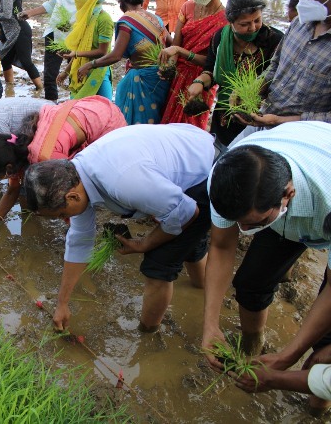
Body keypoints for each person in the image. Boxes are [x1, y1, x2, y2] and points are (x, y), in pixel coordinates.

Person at [22, 123, 215, 332]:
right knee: (187, 240)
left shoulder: (124, 182)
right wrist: (62, 303)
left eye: (61, 214)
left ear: (72, 196)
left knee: (158, 263)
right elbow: (79, 240)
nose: (63, 219)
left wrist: (143, 244)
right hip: (184, 157)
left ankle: (148, 335)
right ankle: (200, 288)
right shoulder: (75, 178)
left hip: (206, 170)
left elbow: (186, 213)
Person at [202, 121, 331, 410]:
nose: (243, 230)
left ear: (288, 194)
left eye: (254, 224)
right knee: (250, 284)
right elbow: (222, 246)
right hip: (290, 205)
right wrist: (209, 326)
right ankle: (253, 342)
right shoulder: (227, 178)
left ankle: (318, 406)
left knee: (325, 349)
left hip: (322, 198)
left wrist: (288, 356)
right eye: (238, 222)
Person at [0, 96, 128, 249]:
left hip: (107, 123)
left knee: (91, 187)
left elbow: (75, 194)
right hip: (88, 108)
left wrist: (77, 233)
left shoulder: (47, 158)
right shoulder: (17, 148)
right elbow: (13, 191)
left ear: (8, 168)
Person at [230, 0, 331, 140]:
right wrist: (254, 88)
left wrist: (278, 120)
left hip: (298, 138)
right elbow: (276, 65)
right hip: (261, 120)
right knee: (225, 159)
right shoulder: (298, 24)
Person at [187, 0, 283, 145]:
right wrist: (199, 81)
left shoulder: (275, 41)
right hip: (224, 114)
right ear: (231, 22)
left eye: (257, 20)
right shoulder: (220, 38)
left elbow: (278, 79)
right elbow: (211, 70)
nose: (252, 27)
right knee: (220, 153)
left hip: (256, 117)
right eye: (244, 24)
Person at [79, 0, 171, 124]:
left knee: (138, 124)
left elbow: (116, 56)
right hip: (161, 76)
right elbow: (171, 45)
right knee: (155, 119)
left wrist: (90, 64)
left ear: (122, 3)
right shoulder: (156, 19)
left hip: (142, 80)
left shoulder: (126, 22)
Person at [158, 0, 227, 130]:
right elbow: (176, 44)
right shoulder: (187, 7)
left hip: (202, 80)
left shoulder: (226, 20)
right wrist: (169, 67)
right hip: (179, 76)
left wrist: (181, 52)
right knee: (168, 124)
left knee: (191, 127)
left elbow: (214, 63)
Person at [18, 0, 76, 101]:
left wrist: (72, 24)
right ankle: (51, 109)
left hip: (75, 36)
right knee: (50, 77)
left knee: (75, 74)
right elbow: (53, 3)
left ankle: (76, 106)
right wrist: (30, 13)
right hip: (54, 34)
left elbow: (88, 10)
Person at [0, 0, 43, 91]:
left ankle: (40, 88)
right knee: (5, 59)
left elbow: (7, 15)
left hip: (19, 31)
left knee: (26, 62)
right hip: (10, 33)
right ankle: (9, 88)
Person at [56, 0, 113, 99]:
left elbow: (103, 52)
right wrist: (66, 72)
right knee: (78, 110)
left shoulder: (104, 20)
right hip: (80, 71)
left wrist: (76, 53)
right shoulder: (85, 19)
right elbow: (81, 48)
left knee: (104, 107)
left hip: (98, 71)